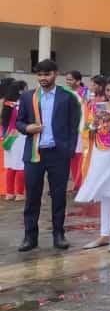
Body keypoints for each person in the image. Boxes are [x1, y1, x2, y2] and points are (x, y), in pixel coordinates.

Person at [16, 60, 83, 252]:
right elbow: (19, 122)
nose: (43, 78)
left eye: (47, 74)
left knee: (59, 196)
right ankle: (30, 237)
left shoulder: (67, 97)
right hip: (34, 154)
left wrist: (69, 150)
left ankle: (59, 235)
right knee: (32, 197)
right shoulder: (28, 97)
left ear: (56, 73)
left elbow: (74, 125)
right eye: (40, 75)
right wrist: (27, 128)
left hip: (58, 154)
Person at [77, 76, 110, 251]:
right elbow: (87, 129)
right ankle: (104, 234)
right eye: (108, 90)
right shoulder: (97, 107)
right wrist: (95, 124)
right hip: (100, 153)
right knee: (104, 194)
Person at [2, 81, 28, 202]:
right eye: (26, 88)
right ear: (21, 90)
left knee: (10, 166)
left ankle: (9, 193)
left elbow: (4, 121)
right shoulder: (21, 104)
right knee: (21, 166)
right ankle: (20, 193)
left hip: (8, 136)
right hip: (20, 136)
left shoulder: (7, 103)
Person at [66, 70, 87, 191]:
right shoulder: (66, 93)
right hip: (69, 129)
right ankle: (76, 182)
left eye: (70, 79)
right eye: (67, 79)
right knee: (72, 156)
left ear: (78, 81)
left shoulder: (85, 93)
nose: (68, 82)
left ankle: (81, 183)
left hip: (82, 129)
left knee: (80, 156)